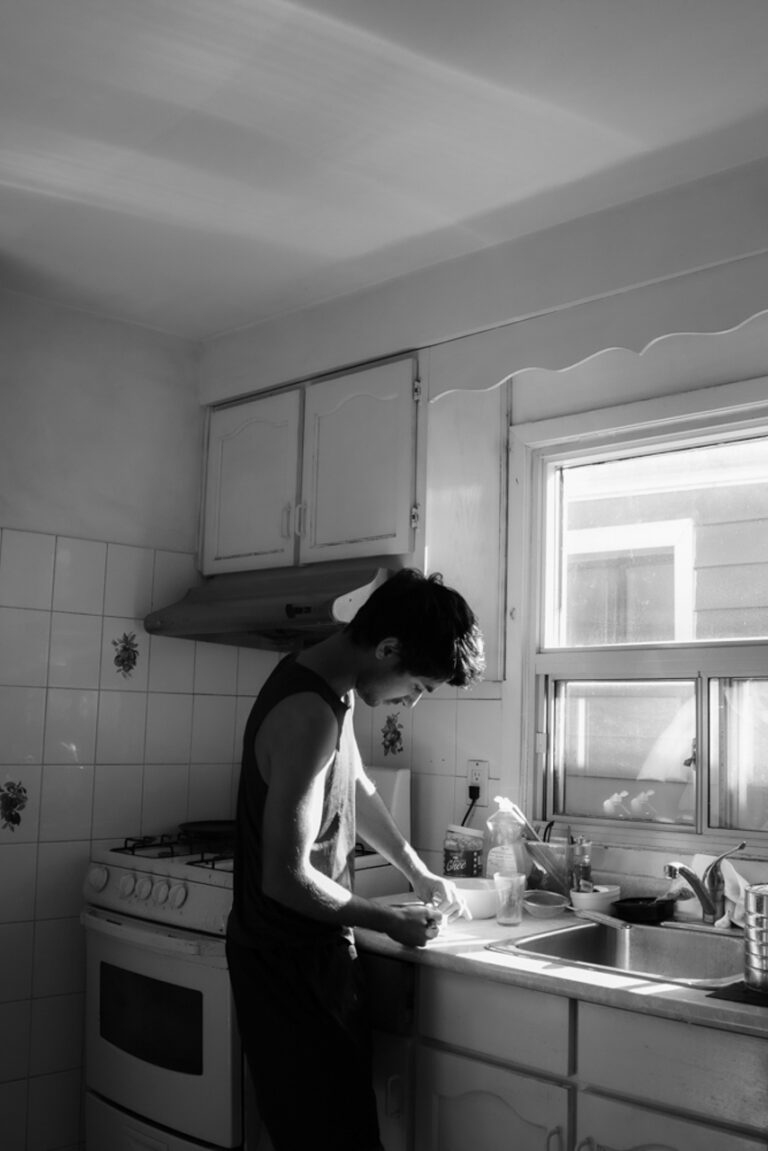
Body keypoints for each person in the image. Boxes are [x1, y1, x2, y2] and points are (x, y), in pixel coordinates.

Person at [226, 568, 485, 1151]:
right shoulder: (308, 713)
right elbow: (284, 879)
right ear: (388, 648)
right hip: (287, 963)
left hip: (308, 956)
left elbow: (358, 785)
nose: (411, 702)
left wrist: (417, 872)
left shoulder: (328, 685)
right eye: (416, 685)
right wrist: (390, 920)